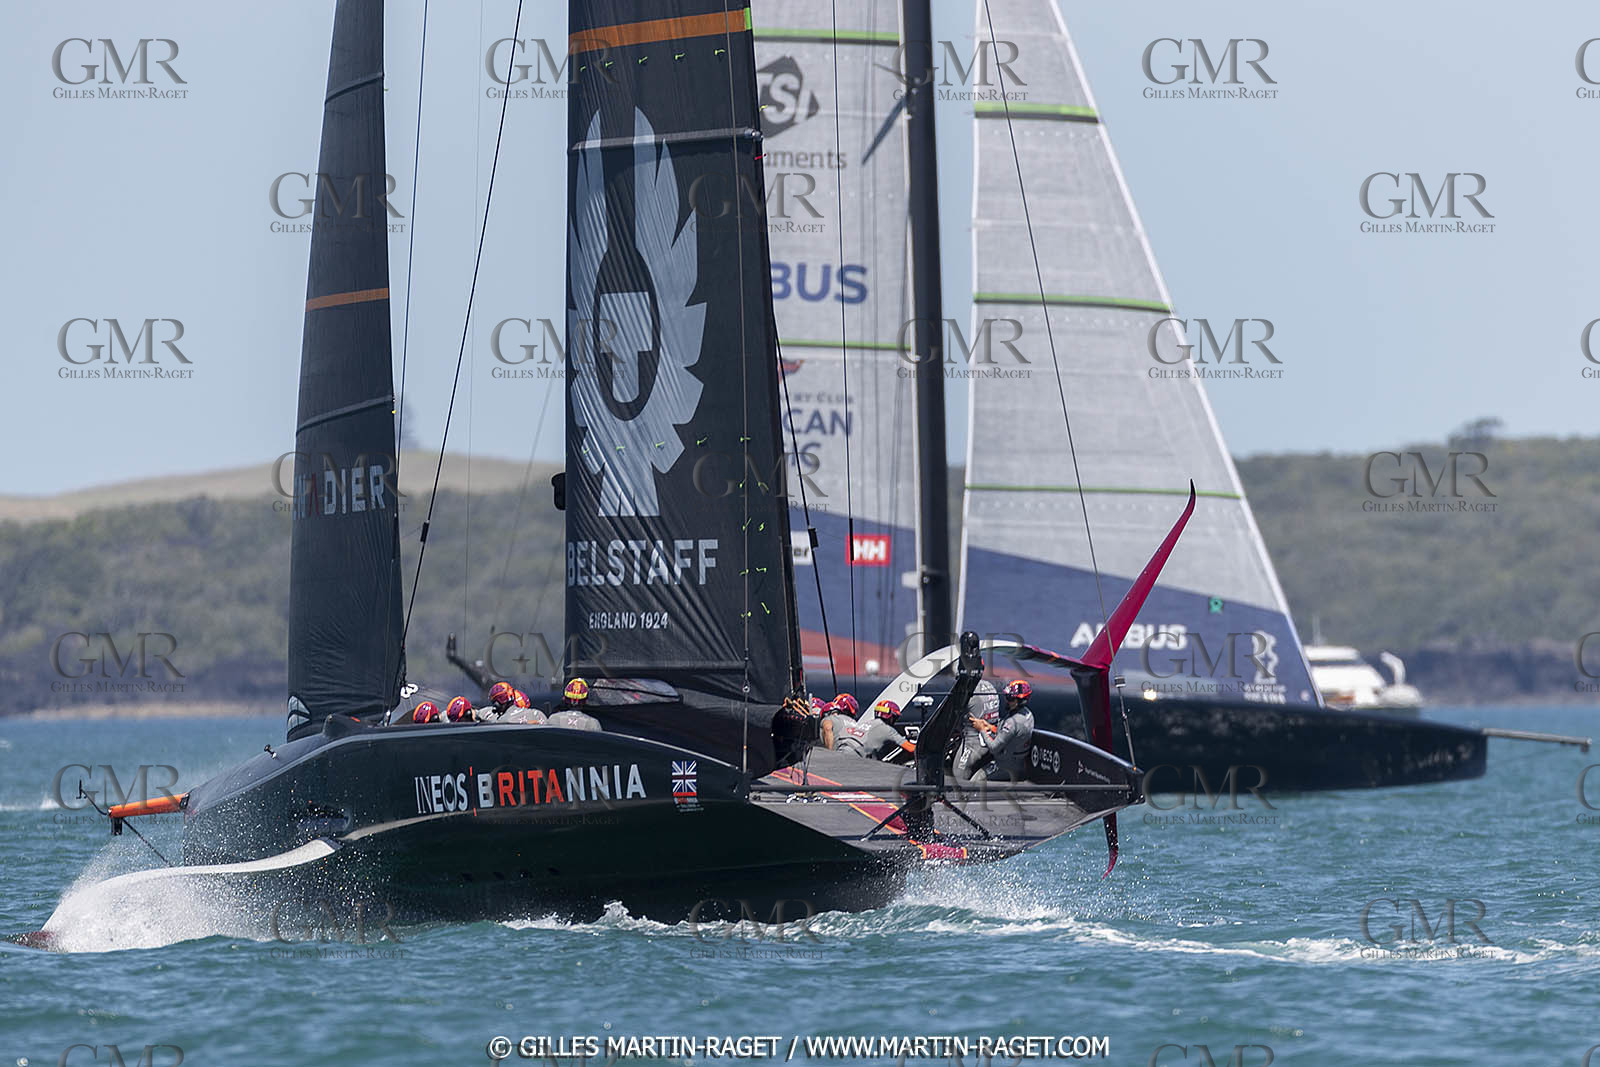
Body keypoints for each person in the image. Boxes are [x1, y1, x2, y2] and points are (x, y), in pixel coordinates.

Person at [961, 679, 1035, 782]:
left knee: (976, 780)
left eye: (1010, 698)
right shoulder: (1028, 715)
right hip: (1018, 762)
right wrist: (990, 726)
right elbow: (1011, 735)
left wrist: (981, 729)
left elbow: (994, 748)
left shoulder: (1012, 723)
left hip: (1005, 766)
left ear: (1019, 701)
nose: (1006, 700)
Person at [834, 698, 914, 761]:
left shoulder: (867, 723)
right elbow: (911, 749)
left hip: (841, 750)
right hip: (855, 757)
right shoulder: (888, 730)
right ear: (891, 717)